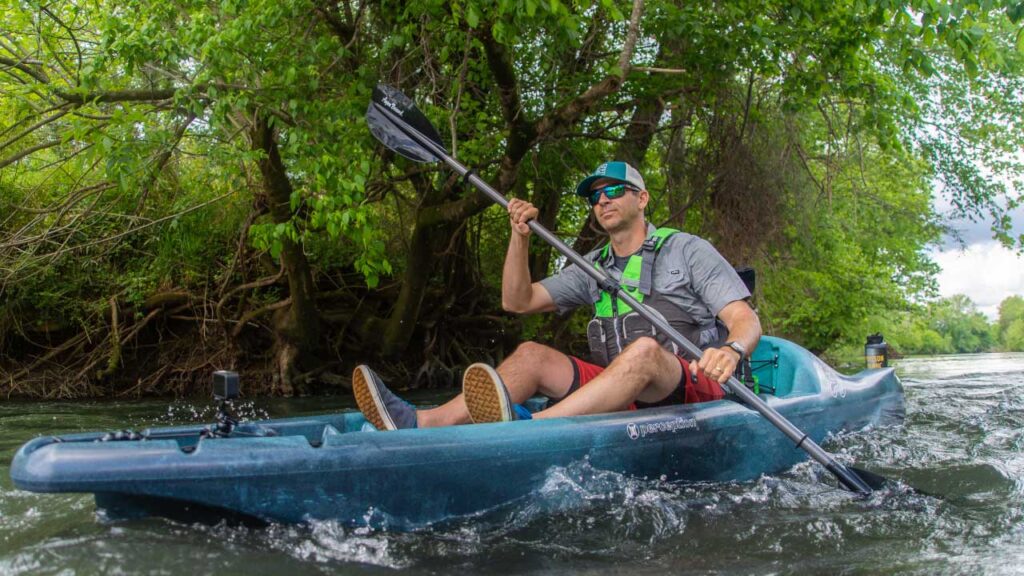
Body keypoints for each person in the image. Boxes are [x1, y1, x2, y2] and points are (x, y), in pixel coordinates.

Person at [352, 161, 762, 430]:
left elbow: (744, 319)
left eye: (614, 190)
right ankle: (423, 423)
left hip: (691, 387)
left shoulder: (687, 249)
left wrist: (731, 350)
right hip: (622, 392)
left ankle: (534, 427)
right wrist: (519, 237)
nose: (603, 201)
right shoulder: (591, 266)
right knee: (531, 353)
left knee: (643, 350)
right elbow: (518, 301)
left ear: (642, 198)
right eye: (594, 197)